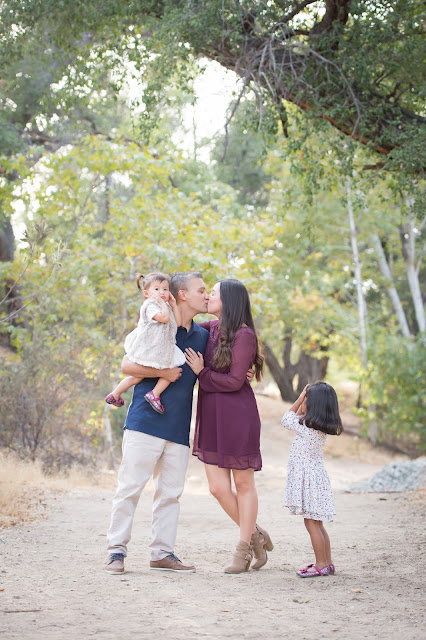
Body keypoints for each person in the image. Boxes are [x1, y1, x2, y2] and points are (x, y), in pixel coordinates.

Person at [105, 272, 210, 575]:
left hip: (178, 426)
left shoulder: (203, 336)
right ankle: (115, 551)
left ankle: (162, 553)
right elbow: (127, 364)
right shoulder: (157, 322)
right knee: (130, 488)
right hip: (144, 421)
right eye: (201, 290)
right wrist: (164, 374)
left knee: (170, 494)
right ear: (182, 295)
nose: (206, 295)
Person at [185, 279, 273, 574]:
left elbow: (236, 381)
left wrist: (202, 373)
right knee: (217, 488)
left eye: (213, 292)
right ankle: (256, 534)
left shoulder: (244, 335)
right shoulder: (209, 329)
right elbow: (183, 326)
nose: (208, 295)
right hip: (211, 416)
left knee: (244, 484)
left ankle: (243, 549)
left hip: (237, 417)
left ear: (229, 300)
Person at [281, 381, 343, 578]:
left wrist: (299, 398)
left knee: (311, 524)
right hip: (315, 480)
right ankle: (327, 563)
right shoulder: (316, 427)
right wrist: (304, 402)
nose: (303, 402)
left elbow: (286, 418)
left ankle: (321, 564)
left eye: (306, 399)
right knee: (317, 524)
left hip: (309, 482)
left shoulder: (305, 426)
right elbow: (294, 417)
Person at [105, 272, 185, 415]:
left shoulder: (167, 307)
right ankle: (154, 394)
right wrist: (163, 303)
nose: (162, 292)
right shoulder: (150, 305)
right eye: (157, 289)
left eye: (165, 289)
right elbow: (164, 318)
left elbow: (178, 323)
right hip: (149, 347)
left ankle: (115, 394)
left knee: (139, 376)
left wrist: (173, 305)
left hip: (161, 347)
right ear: (147, 293)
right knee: (170, 368)